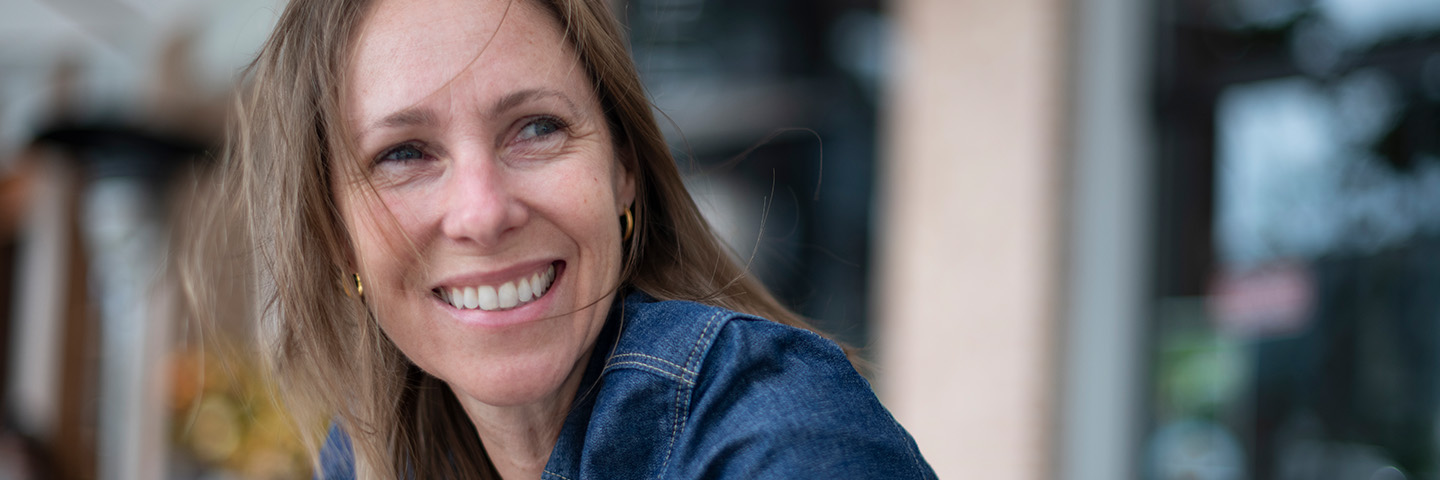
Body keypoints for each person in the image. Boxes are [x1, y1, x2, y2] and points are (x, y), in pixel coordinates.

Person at [189, 0, 937, 478]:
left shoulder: (775, 440)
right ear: (338, 238)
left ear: (623, 171)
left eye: (537, 128)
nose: (482, 213)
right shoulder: (374, 451)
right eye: (404, 154)